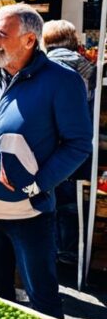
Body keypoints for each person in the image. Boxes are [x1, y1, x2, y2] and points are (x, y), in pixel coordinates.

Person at [0, 4, 91, 317]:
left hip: (28, 214)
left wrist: (37, 183)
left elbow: (79, 144)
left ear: (30, 40)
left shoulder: (62, 81)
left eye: (0, 34)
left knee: (41, 299)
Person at [43, 19, 95, 264]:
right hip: (78, 143)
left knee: (45, 195)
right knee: (72, 200)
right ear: (74, 41)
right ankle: (70, 249)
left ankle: (48, 248)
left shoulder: (43, 67)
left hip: (47, 142)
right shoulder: (89, 68)